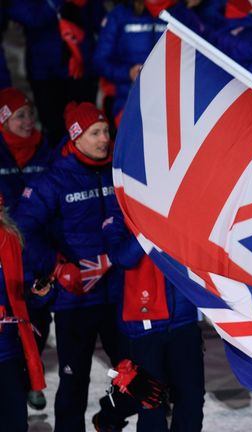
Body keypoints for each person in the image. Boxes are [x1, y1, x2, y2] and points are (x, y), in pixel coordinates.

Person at [13, 102, 134, 432]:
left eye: (106, 131)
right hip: (75, 300)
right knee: (74, 385)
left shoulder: (119, 172)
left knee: (138, 377)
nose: (105, 139)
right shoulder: (53, 181)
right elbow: (21, 230)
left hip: (120, 294)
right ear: (76, 137)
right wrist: (55, 265)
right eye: (95, 133)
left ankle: (107, 419)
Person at [101, 208, 205, 431]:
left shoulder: (181, 207)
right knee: (151, 406)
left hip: (184, 320)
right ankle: (109, 415)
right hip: (142, 328)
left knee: (192, 402)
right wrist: (151, 226)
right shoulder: (120, 211)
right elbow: (122, 257)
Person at [0, 87, 54, 411]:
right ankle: (22, 380)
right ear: (4, 119)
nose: (28, 121)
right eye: (20, 115)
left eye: (30, 114)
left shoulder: (43, 150)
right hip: (7, 251)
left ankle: (29, 377)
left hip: (37, 250)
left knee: (37, 315)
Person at [6, 0, 105, 144]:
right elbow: (28, 16)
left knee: (87, 128)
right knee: (54, 132)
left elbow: (100, 21)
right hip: (45, 73)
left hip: (82, 68)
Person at [93, 0, 203, 125]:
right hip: (128, 102)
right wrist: (128, 73)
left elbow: (200, 59)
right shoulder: (120, 15)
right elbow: (99, 62)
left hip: (173, 103)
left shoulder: (183, 15)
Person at [0, 192, 46, 432]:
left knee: (14, 421)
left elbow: (21, 291)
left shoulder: (8, 239)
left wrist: (37, 290)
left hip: (7, 350)